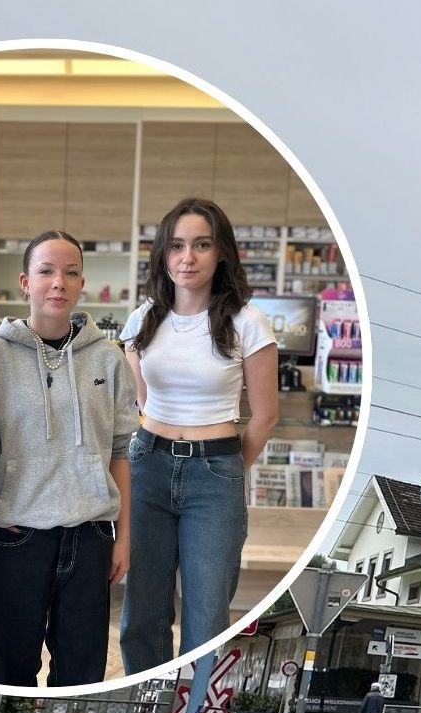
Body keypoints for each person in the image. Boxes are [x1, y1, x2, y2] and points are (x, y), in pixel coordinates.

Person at [118, 198, 279, 673]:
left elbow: (265, 416)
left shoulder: (248, 322)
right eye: (177, 246)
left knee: (206, 614)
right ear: (163, 256)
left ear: (221, 253)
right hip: (147, 464)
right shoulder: (142, 319)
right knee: (142, 609)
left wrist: (225, 471)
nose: (188, 258)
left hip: (216, 471)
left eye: (202, 245)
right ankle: (145, 705)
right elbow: (139, 404)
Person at [0, 230, 137, 687]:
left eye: (69, 272)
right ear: (25, 282)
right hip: (15, 536)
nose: (58, 283)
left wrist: (123, 538)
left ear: (82, 283)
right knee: (8, 667)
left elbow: (122, 452)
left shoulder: (109, 359)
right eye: (46, 271)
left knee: (82, 671)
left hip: (89, 538)